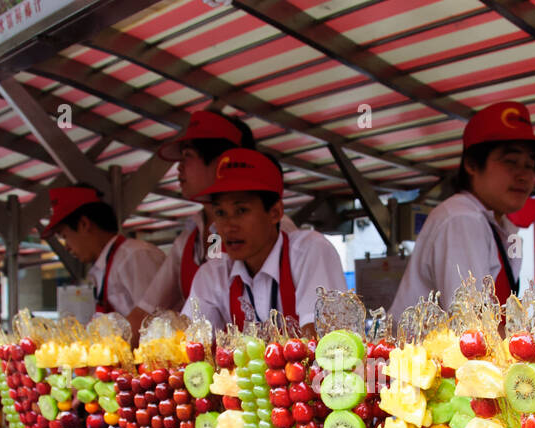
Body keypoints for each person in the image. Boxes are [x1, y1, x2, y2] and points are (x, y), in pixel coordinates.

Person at [390, 101, 535, 315]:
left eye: (530, 165)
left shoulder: (496, 224)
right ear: (471, 164)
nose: (523, 175)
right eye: (510, 161)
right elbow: (472, 325)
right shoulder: (462, 218)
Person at [181, 148, 346, 336]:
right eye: (220, 213)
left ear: (275, 212)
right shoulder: (212, 275)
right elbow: (191, 342)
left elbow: (323, 341)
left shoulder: (309, 251)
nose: (228, 227)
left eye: (241, 210)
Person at [156, 110, 267, 310]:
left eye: (187, 156)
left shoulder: (270, 228)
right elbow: (150, 305)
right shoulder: (188, 239)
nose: (178, 168)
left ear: (223, 161)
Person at [45, 186, 171, 343]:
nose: (66, 246)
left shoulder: (135, 256)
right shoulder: (101, 267)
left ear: (84, 224)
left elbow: (155, 321)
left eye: (65, 236)